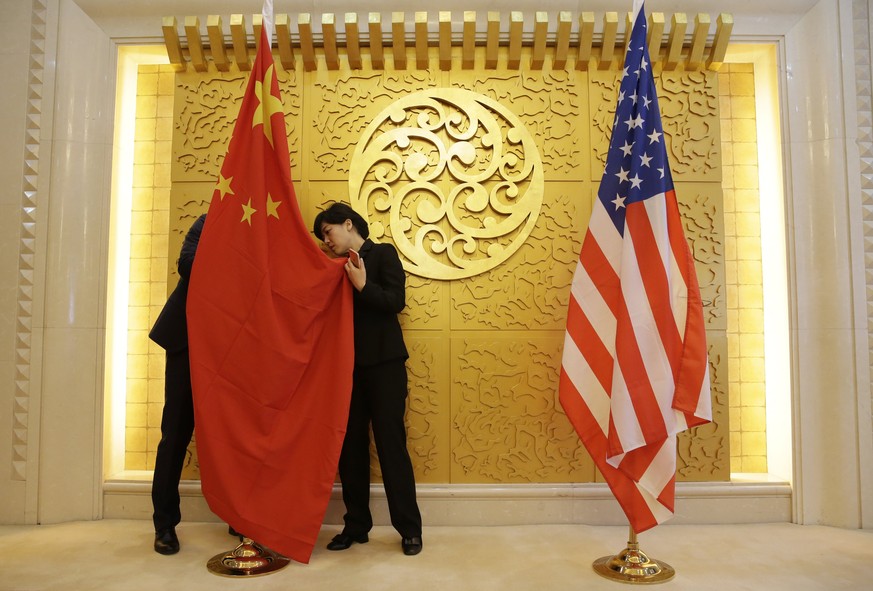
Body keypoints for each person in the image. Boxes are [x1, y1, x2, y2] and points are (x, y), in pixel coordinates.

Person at [313, 202, 423, 556]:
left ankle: (409, 529)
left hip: (385, 366)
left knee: (392, 447)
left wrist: (362, 285)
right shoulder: (332, 266)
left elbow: (396, 301)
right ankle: (356, 526)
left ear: (348, 224)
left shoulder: (383, 254)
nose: (326, 241)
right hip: (345, 371)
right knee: (351, 449)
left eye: (328, 232)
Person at [148, 214, 205, 555]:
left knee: (231, 437)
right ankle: (164, 525)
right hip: (187, 342)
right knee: (175, 435)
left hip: (232, 349)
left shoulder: (261, 227)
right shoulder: (206, 222)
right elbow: (186, 264)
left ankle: (237, 514)